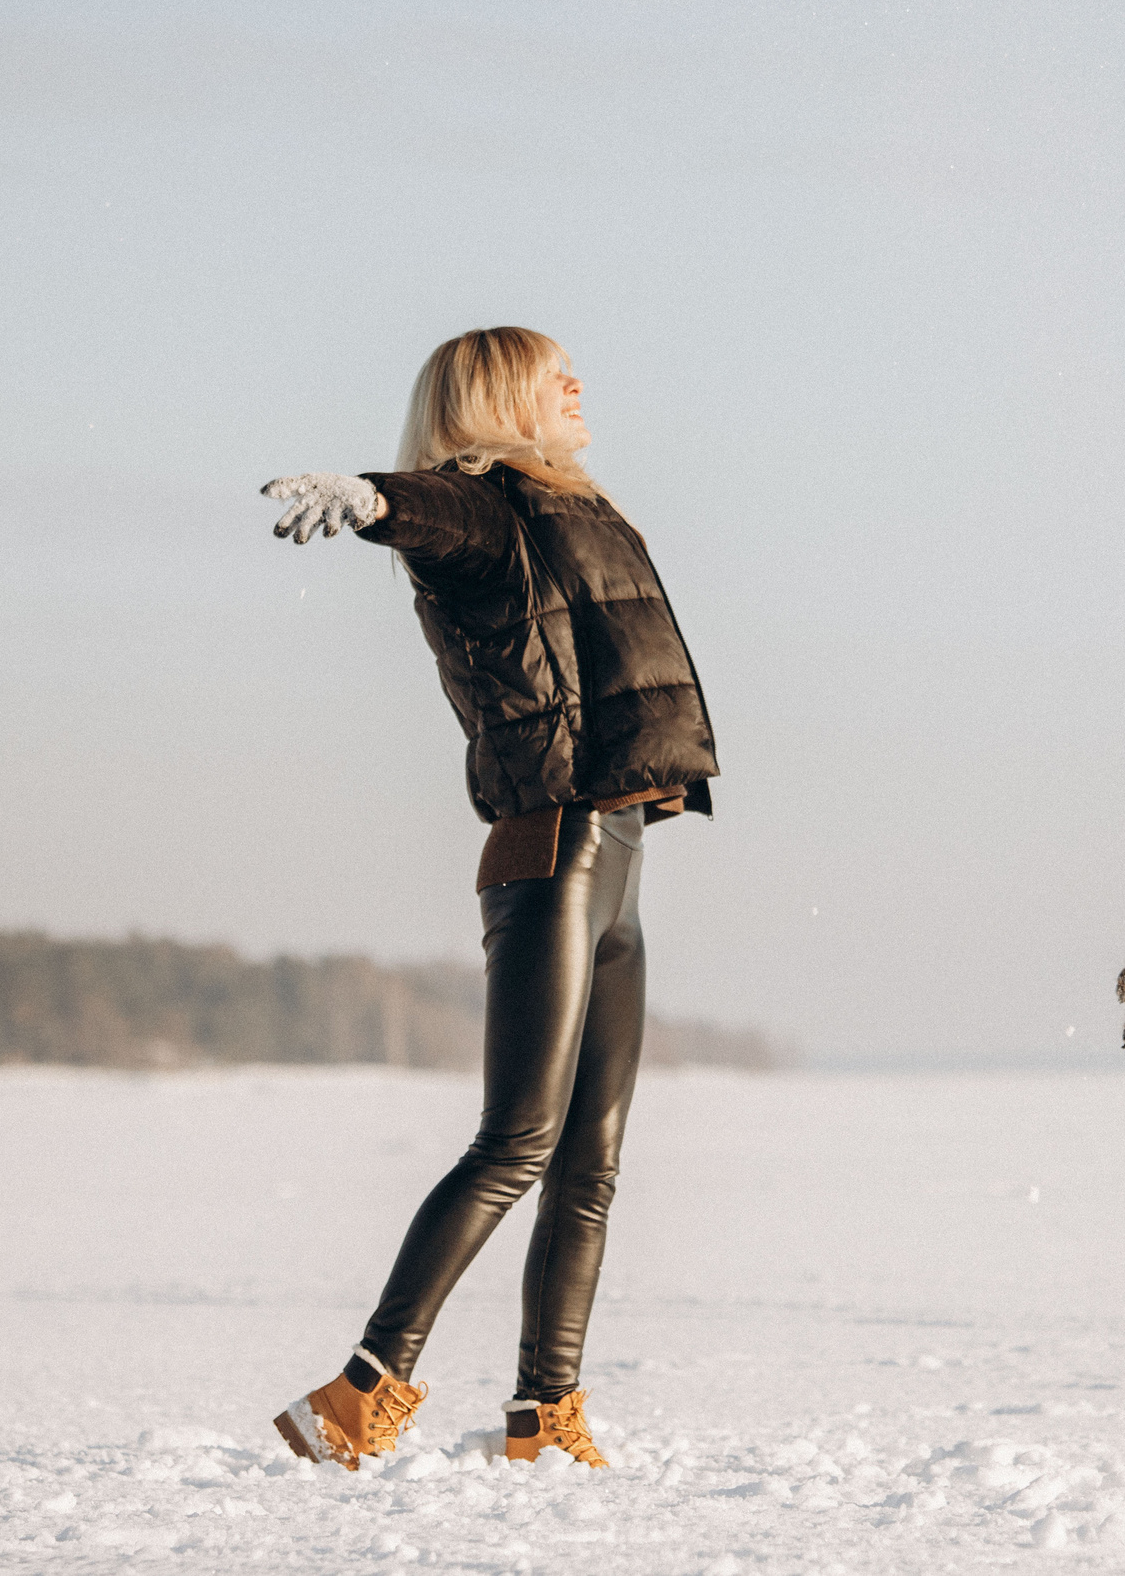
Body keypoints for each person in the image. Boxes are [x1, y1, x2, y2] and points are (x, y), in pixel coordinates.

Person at [258, 327, 719, 1472]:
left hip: (617, 851)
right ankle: (359, 1395)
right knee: (516, 1142)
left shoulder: (576, 510)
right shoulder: (487, 510)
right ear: (496, 403)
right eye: (551, 372)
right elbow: (435, 514)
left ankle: (542, 1417)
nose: (576, 383)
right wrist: (369, 496)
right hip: (549, 845)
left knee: (589, 1158)